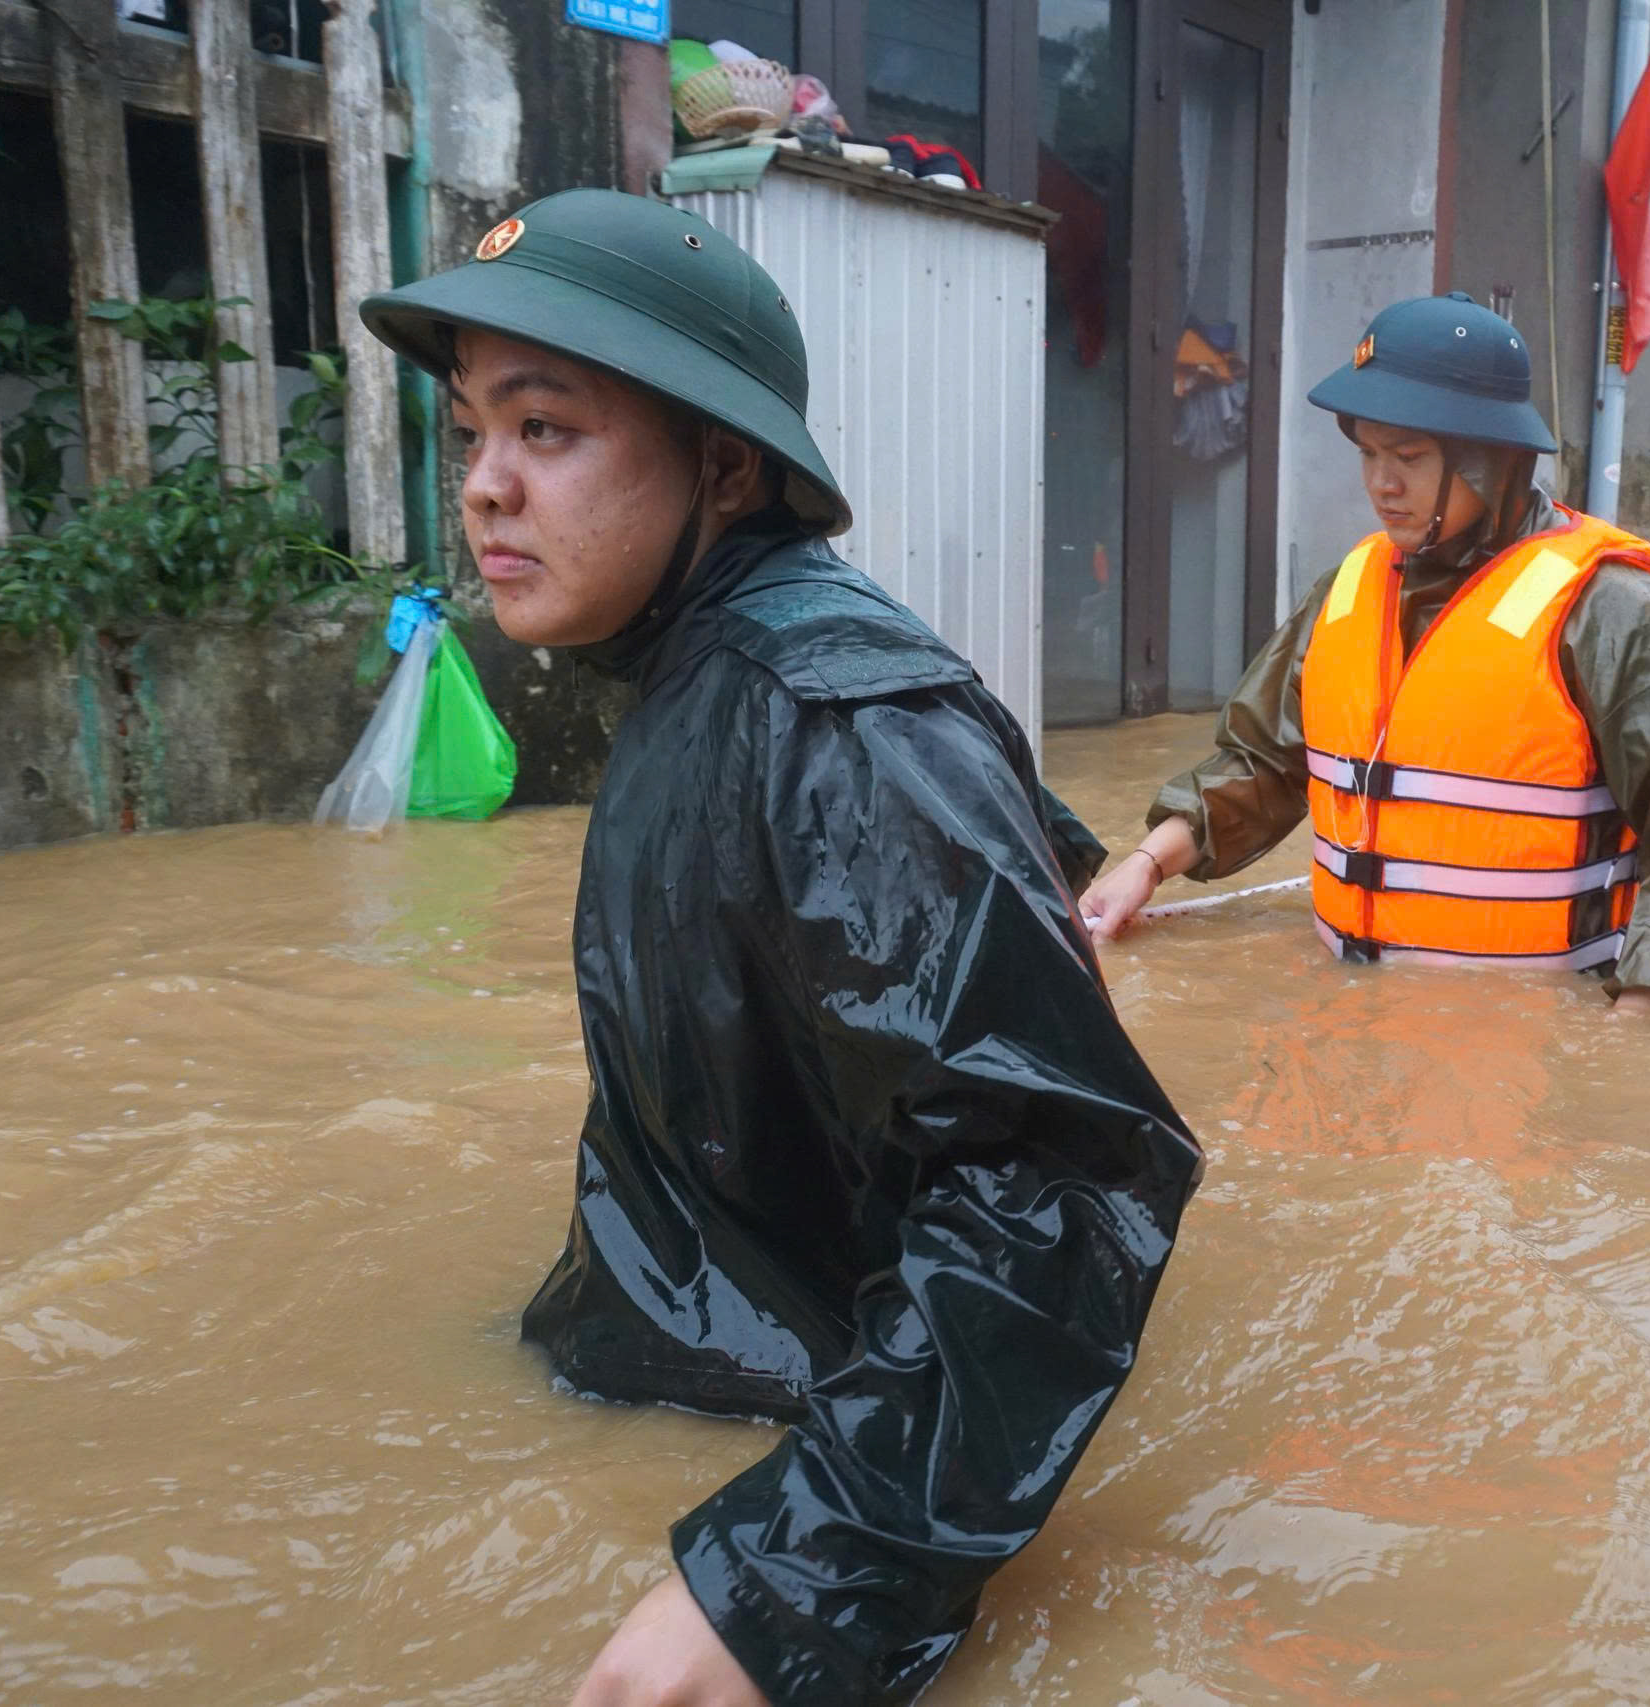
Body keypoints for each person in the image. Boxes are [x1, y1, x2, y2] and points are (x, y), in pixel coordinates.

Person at [358, 189, 1203, 1707]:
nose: (484, 486)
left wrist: (792, 1579)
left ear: (725, 465)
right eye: (472, 432)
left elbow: (1057, 1183)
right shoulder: (713, 678)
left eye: (545, 429)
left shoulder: (827, 717)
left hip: (779, 1461)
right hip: (677, 1376)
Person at [1076, 292, 1650, 1017]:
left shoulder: (1613, 609)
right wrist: (1145, 866)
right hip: (1353, 1016)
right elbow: (1262, 765)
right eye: (1369, 453)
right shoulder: (1347, 590)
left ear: (1490, 462)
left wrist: (1628, 1043)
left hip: (1524, 1037)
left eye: (1408, 457)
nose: (1381, 484)